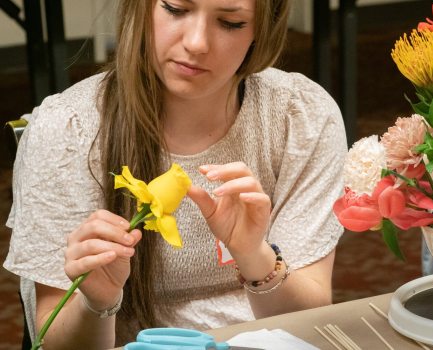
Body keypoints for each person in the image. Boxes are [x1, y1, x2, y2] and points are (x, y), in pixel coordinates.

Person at [2, 0, 347, 348]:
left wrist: (254, 256)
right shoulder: (70, 129)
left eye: (230, 23)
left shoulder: (301, 116)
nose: (197, 42)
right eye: (176, 9)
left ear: (263, 30)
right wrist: (96, 302)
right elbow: (53, 341)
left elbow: (309, 324)